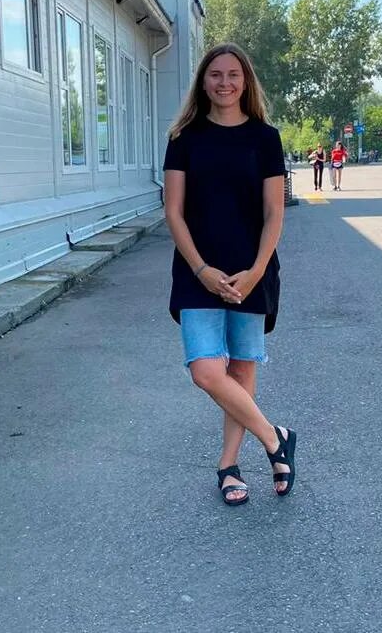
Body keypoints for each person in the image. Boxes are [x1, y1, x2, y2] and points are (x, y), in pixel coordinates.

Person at [163, 42, 297, 507]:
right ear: (203, 81)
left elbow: (274, 212)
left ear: (246, 82)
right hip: (197, 272)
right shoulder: (184, 137)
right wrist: (200, 269)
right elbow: (173, 212)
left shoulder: (265, 138)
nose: (224, 83)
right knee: (205, 370)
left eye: (233, 75)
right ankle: (275, 438)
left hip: (251, 271)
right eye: (216, 74)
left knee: (241, 369)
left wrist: (256, 271)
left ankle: (229, 466)